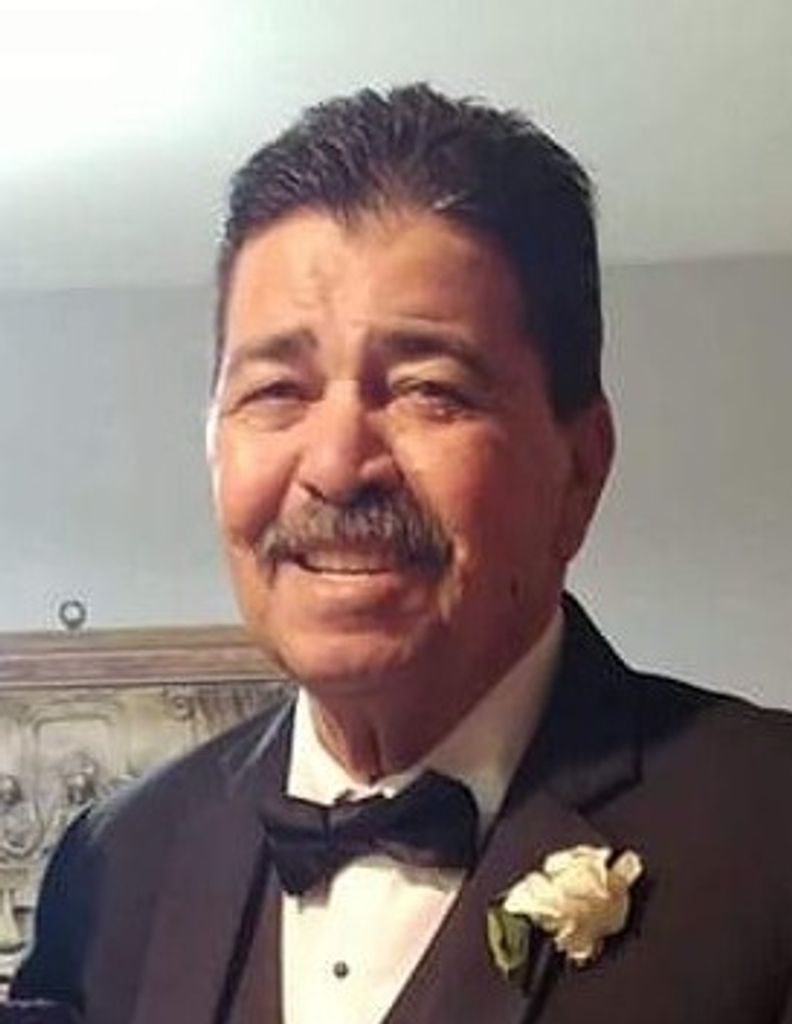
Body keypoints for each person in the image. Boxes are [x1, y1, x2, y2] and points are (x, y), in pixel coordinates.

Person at [11, 84, 792, 1024]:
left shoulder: (769, 826)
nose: (338, 467)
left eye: (431, 391)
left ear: (580, 468)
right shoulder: (113, 865)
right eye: (276, 391)